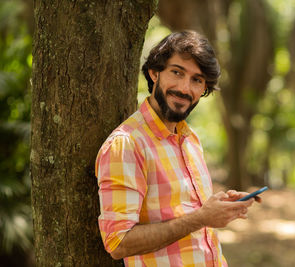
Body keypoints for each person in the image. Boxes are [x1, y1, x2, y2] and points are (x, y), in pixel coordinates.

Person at [95, 30, 259, 266]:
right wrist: (202, 218)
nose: (185, 88)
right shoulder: (127, 144)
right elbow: (118, 243)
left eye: (197, 80)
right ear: (154, 73)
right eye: (177, 72)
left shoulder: (190, 139)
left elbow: (187, 212)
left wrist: (218, 207)